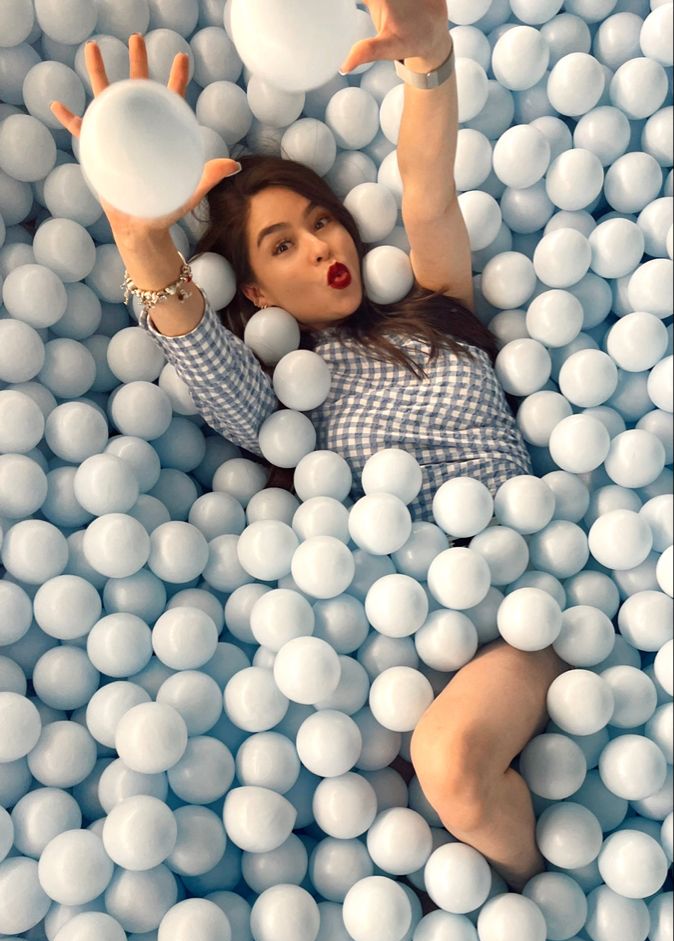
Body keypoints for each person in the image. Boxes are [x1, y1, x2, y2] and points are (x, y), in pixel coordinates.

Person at [52, 8, 567, 890]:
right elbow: (200, 355)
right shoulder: (293, 399)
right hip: (397, 648)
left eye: (321, 221)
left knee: (449, 761)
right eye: (282, 245)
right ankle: (508, 888)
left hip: (513, 605)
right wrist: (140, 239)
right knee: (426, 777)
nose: (322, 244)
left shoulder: (436, 304)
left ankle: (539, 888)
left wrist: (433, 63)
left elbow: (427, 189)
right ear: (253, 288)